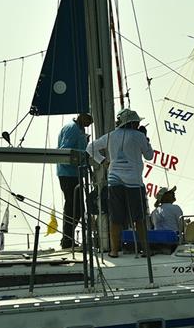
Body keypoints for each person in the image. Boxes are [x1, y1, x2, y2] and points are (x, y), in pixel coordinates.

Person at [87, 108, 153, 258]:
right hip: (134, 182)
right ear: (132, 122)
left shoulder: (110, 136)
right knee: (139, 218)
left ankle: (114, 251)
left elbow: (90, 148)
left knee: (115, 218)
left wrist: (103, 161)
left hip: (114, 180)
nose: (138, 124)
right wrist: (146, 139)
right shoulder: (139, 135)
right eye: (137, 122)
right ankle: (145, 250)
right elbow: (149, 156)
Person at [57, 112, 93, 249]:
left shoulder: (79, 130)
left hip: (75, 174)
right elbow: (65, 151)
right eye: (89, 119)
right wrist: (82, 157)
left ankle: (68, 238)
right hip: (68, 174)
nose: (91, 123)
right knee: (74, 207)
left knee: (77, 207)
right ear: (82, 116)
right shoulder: (72, 129)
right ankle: (67, 240)